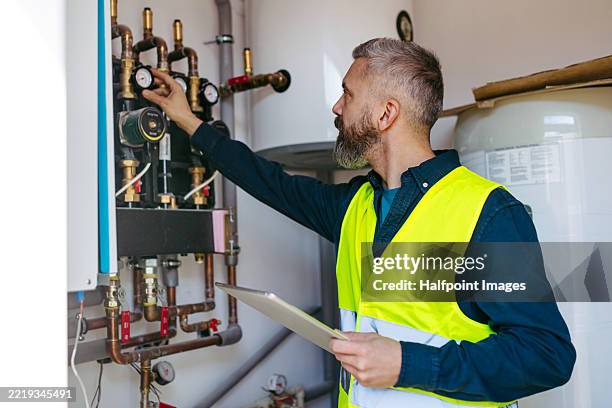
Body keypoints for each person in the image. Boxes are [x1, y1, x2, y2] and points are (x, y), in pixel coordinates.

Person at [143, 38, 575, 408]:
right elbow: (268, 181)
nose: (336, 106)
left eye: (347, 94)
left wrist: (408, 363)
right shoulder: (354, 207)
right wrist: (189, 122)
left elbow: (546, 354)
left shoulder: (487, 213)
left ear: (386, 114)